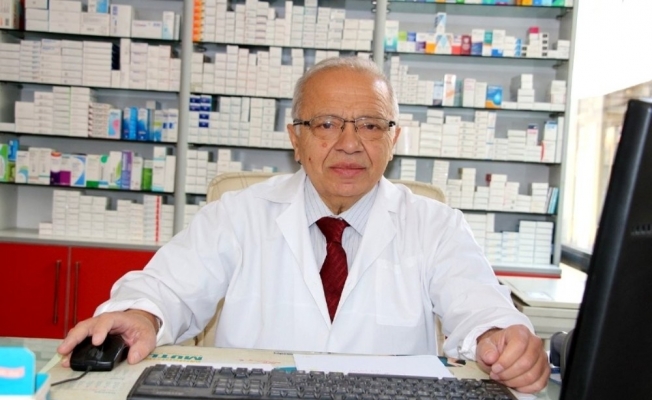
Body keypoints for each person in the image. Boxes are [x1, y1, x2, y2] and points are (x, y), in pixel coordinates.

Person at [57, 57, 550, 393]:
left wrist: (501, 339)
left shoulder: (436, 225)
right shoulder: (238, 213)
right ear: (296, 137)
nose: (350, 144)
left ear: (393, 139)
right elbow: (166, 289)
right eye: (327, 124)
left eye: (370, 125)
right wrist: (142, 316)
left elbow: (480, 307)